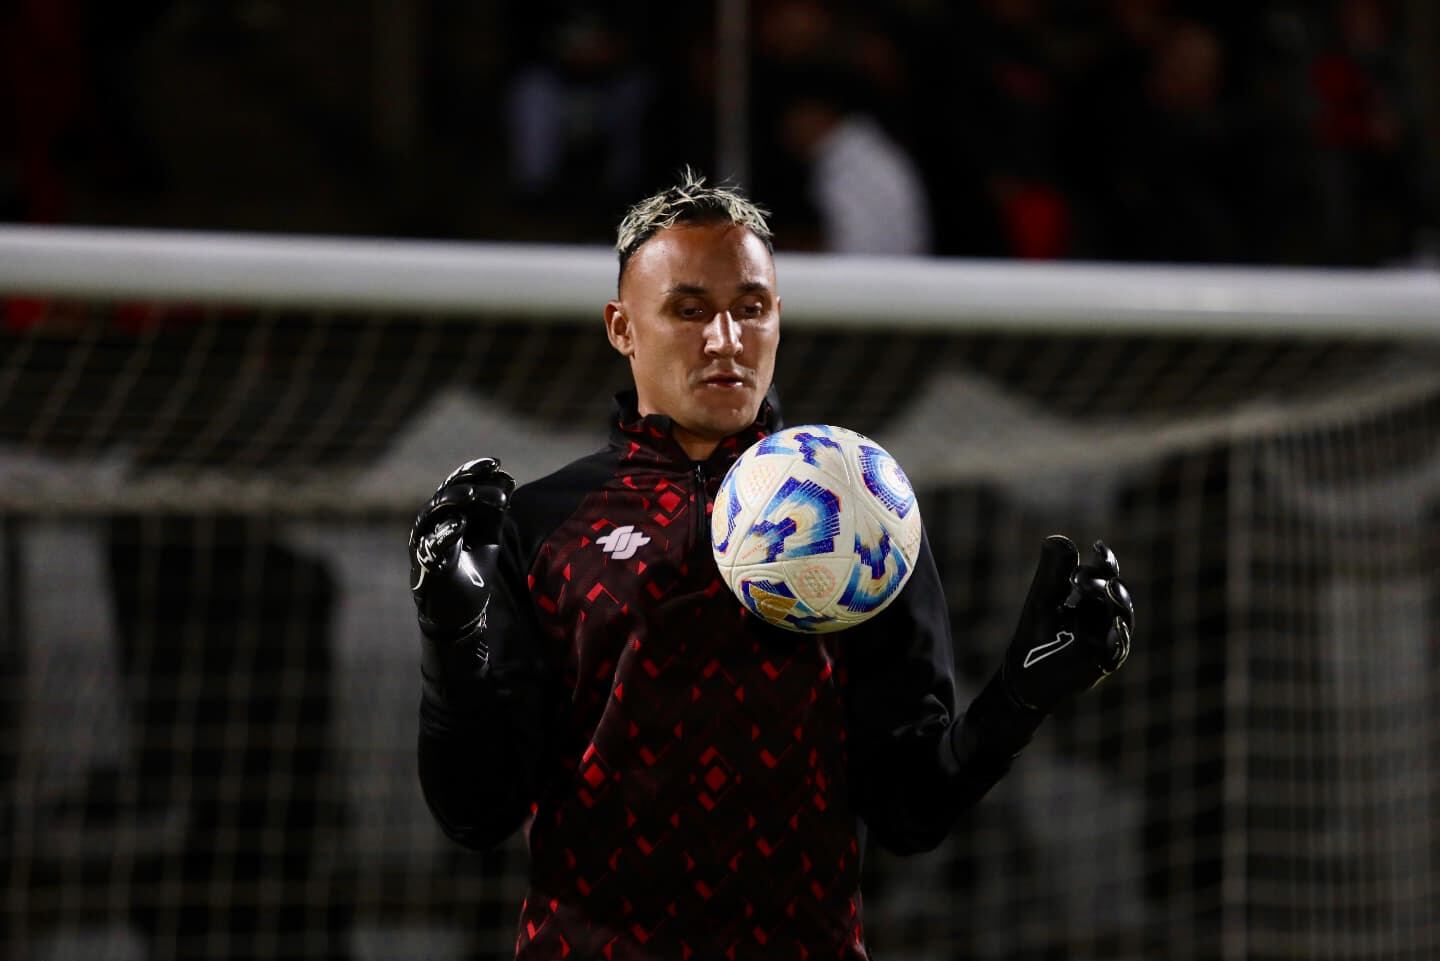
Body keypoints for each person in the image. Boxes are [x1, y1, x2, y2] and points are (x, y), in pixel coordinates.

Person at [408, 170, 1134, 959]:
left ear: (778, 317)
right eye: (690, 309)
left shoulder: (867, 511)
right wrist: (451, 639)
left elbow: (909, 811)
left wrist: (1017, 700)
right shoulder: (545, 524)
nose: (726, 339)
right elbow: (476, 813)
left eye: (750, 308)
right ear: (622, 327)